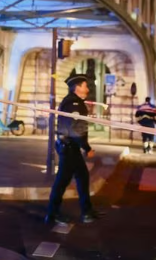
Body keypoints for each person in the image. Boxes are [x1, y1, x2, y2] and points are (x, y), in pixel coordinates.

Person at [45, 74, 100, 225]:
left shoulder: (73, 102)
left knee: (82, 177)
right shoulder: (74, 104)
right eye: (85, 86)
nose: (87, 89)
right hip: (69, 147)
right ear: (77, 88)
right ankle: (52, 214)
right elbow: (76, 129)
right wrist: (87, 148)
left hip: (70, 146)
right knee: (62, 181)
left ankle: (86, 211)